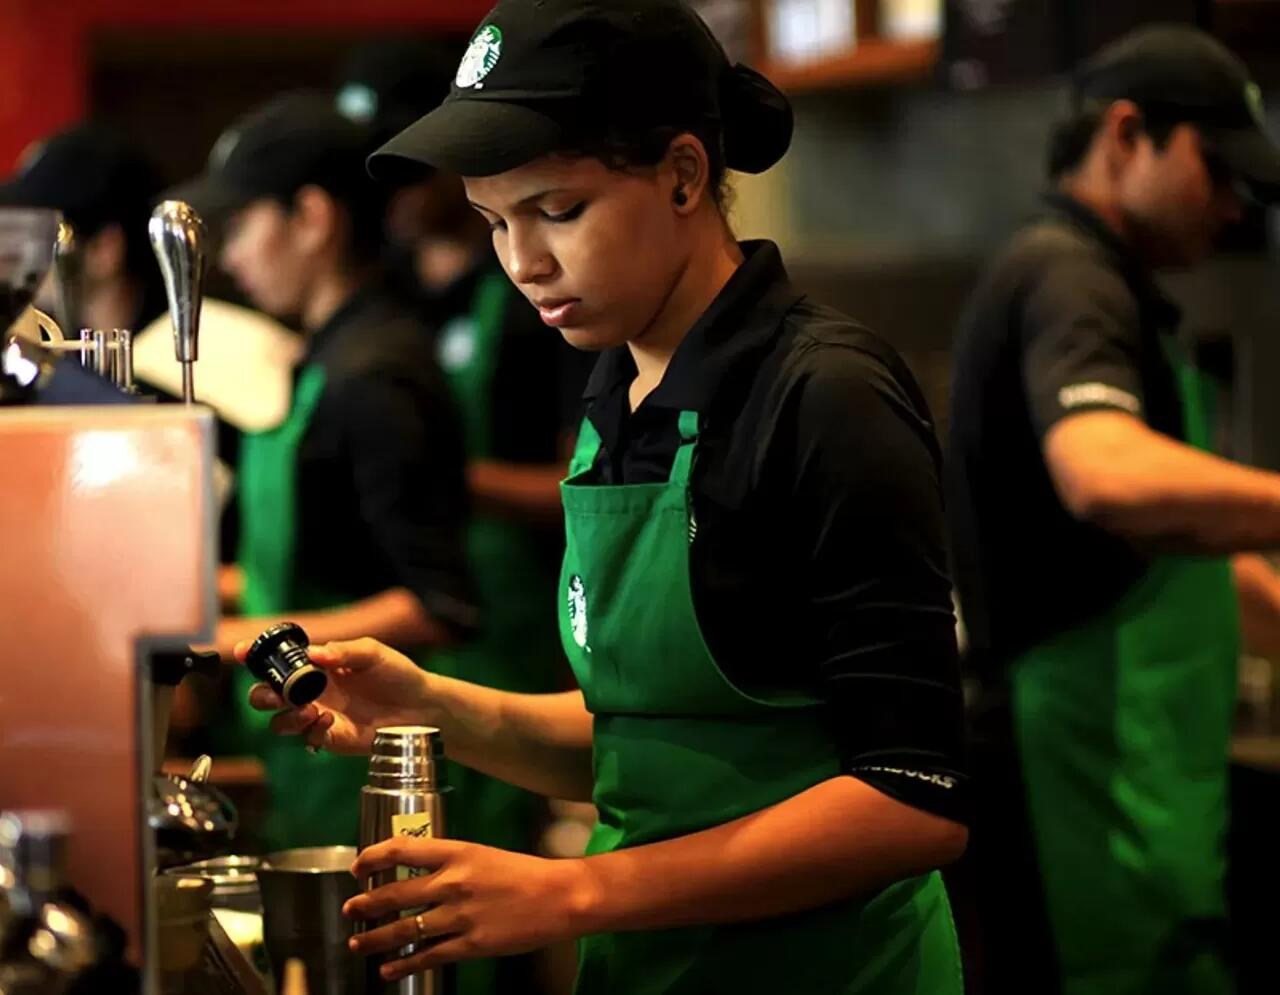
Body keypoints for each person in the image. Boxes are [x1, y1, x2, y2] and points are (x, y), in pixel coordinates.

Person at [242, 1, 969, 991]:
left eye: (558, 211)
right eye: (495, 222)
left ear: (681, 174)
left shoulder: (823, 394)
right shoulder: (615, 388)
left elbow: (910, 799)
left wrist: (572, 891)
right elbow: (652, 743)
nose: (523, 262)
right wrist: (433, 705)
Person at [946, 25, 1280, 995]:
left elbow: (1183, 548)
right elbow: (1105, 474)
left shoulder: (1110, 285)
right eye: (1215, 171)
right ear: (1125, 135)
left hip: (1123, 772)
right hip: (1070, 777)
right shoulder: (1067, 273)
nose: (1229, 206)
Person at [338, 38, 595, 995]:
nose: (398, 195)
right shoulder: (396, 299)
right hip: (433, 660)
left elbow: (577, 475)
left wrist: (443, 478)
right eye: (501, 224)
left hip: (522, 631)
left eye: (554, 212)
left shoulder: (550, 298)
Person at [178, 92, 477, 851]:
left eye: (242, 226)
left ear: (312, 218)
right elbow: (326, 555)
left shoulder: (375, 370)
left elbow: (436, 604)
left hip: (384, 761)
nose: (234, 257)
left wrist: (236, 637)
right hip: (310, 750)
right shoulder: (324, 356)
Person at [0, 122, 166, 338]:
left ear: (105, 251)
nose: (13, 255)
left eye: (36, 235)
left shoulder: (184, 363)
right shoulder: (48, 351)